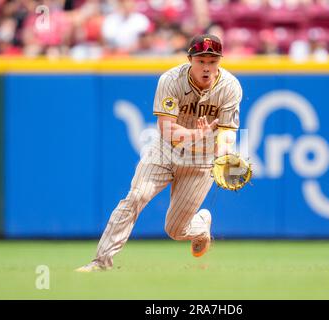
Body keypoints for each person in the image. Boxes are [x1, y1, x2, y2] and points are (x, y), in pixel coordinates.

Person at [76, 34, 243, 272]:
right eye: (201, 61)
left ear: (219, 62)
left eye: (212, 61)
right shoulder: (171, 79)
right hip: (165, 151)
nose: (207, 67)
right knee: (135, 197)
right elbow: (166, 129)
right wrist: (197, 135)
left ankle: (201, 225)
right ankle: (101, 262)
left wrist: (225, 156)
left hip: (202, 159)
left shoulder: (230, 86)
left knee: (175, 230)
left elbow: (228, 131)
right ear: (190, 60)